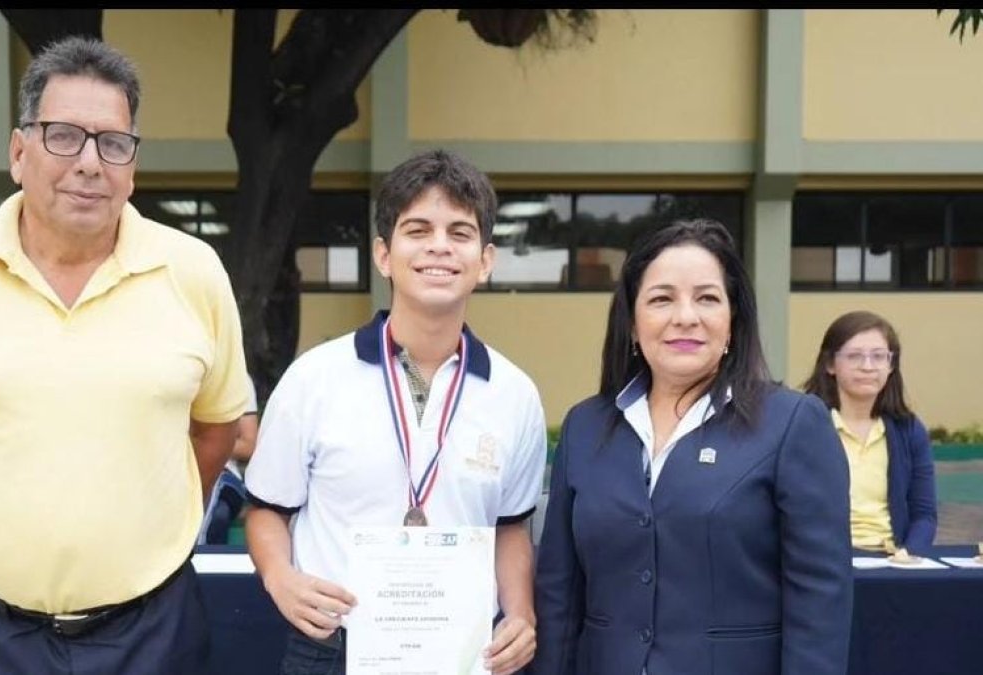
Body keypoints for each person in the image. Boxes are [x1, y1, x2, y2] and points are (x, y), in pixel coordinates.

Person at [0, 37, 247, 674]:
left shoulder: (193, 271)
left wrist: (151, 520)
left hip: (152, 630)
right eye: (63, 135)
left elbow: (216, 429)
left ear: (132, 165)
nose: (90, 163)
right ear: (19, 153)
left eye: (113, 143)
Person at [244, 149, 547, 675]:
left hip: (464, 653)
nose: (439, 247)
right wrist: (279, 576)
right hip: (334, 648)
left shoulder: (514, 394)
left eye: (459, 232)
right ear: (384, 255)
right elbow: (268, 508)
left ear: (486, 259)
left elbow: (511, 527)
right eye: (418, 229)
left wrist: (520, 612)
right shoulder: (314, 378)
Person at [532, 219, 852, 675]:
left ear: (733, 321)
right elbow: (559, 591)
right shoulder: (585, 426)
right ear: (632, 322)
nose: (686, 316)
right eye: (662, 298)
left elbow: (820, 601)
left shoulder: (793, 423)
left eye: (707, 298)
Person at [802, 310, 937, 554]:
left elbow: (924, 515)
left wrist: (909, 556)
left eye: (878, 357)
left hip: (892, 559)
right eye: (854, 356)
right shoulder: (804, 425)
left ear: (891, 364)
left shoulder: (909, 430)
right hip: (824, 560)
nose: (867, 366)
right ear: (830, 364)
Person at [199, 372, 259, 545]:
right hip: (173, 476)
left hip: (223, 475)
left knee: (214, 505)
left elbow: (249, 445)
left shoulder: (236, 378)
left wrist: (206, 444)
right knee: (218, 513)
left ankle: (191, 562)